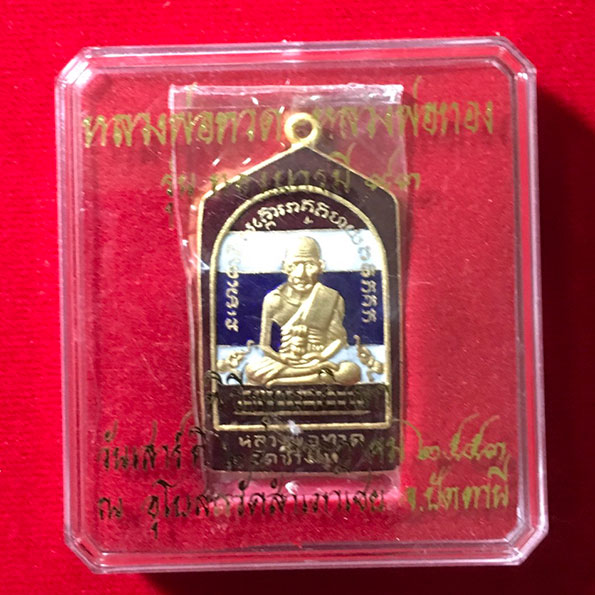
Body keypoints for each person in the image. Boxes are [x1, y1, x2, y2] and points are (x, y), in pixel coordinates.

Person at [245, 236, 361, 386]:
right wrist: (281, 359)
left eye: (309, 265)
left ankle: (282, 381)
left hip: (316, 361)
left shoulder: (331, 298)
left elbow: (339, 339)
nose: (301, 274)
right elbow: (264, 345)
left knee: (351, 371)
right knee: (251, 370)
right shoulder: (273, 300)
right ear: (285, 267)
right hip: (285, 362)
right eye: (294, 265)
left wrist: (321, 356)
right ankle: (317, 377)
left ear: (320, 266)